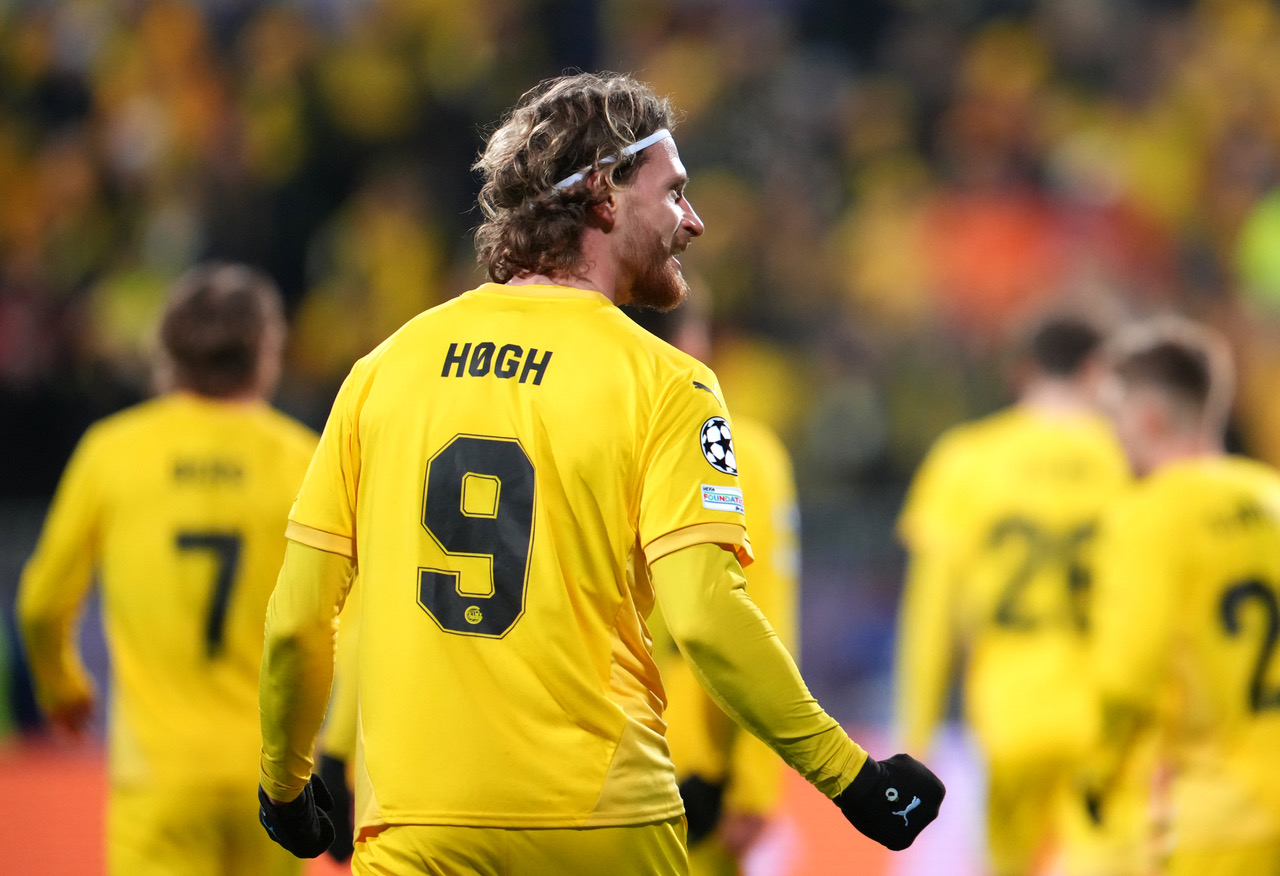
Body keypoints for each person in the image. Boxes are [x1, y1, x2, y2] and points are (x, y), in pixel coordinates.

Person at [256, 71, 943, 876]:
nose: (695, 220)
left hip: (418, 830)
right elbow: (706, 617)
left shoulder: (383, 369)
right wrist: (853, 778)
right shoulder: (667, 383)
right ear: (605, 195)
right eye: (675, 191)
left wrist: (286, 784)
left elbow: (301, 616)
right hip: (602, 823)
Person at [17, 262, 318, 876]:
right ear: (266, 353)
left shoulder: (113, 452)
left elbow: (41, 603)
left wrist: (63, 687)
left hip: (158, 775)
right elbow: (339, 615)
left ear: (165, 353)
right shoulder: (302, 459)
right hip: (272, 774)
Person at [893, 312, 1136, 876]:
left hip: (1008, 721)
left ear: (1025, 371)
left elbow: (930, 618)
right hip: (1106, 724)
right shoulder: (1127, 460)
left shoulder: (966, 459)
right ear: (1100, 372)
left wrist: (917, 738)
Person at [1089, 317, 1280, 876]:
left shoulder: (1148, 517)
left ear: (1147, 417)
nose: (1111, 435)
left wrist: (1096, 777)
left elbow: (1129, 674)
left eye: (1114, 417)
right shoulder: (1273, 495)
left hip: (1220, 816)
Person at [627, 296, 801, 875]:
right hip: (690, 768)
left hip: (560, 765)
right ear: (693, 344)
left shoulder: (558, 434)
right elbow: (761, 621)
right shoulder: (743, 451)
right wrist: (753, 782)